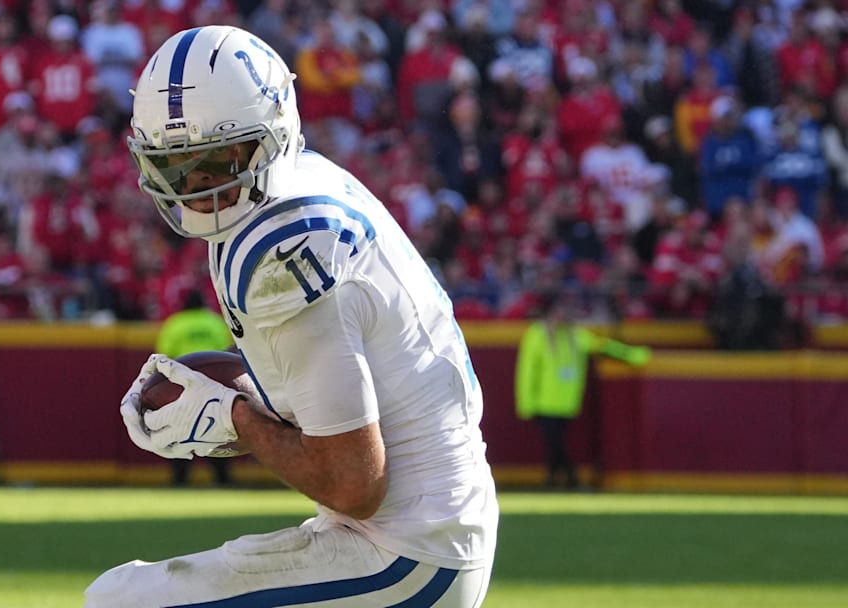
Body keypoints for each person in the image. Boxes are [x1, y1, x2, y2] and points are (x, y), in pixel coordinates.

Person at [85, 25, 497, 608]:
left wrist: (232, 418)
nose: (197, 190)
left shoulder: (285, 252)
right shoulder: (296, 187)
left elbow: (355, 485)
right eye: (175, 168)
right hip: (420, 527)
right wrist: (228, 395)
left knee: (120, 601)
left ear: (273, 135)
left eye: (215, 162)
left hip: (410, 555)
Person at [515, 292, 651, 489]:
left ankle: (553, 481)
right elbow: (527, 370)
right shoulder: (537, 335)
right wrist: (526, 402)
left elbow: (605, 347)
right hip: (543, 403)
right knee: (555, 444)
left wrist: (634, 355)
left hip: (566, 403)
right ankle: (569, 479)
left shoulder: (576, 336)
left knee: (556, 445)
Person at [154, 288, 235, 487]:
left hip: (182, 386)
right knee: (215, 432)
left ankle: (180, 479)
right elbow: (227, 353)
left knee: (179, 432)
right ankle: (222, 479)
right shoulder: (214, 322)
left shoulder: (175, 324)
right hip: (212, 386)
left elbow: (164, 356)